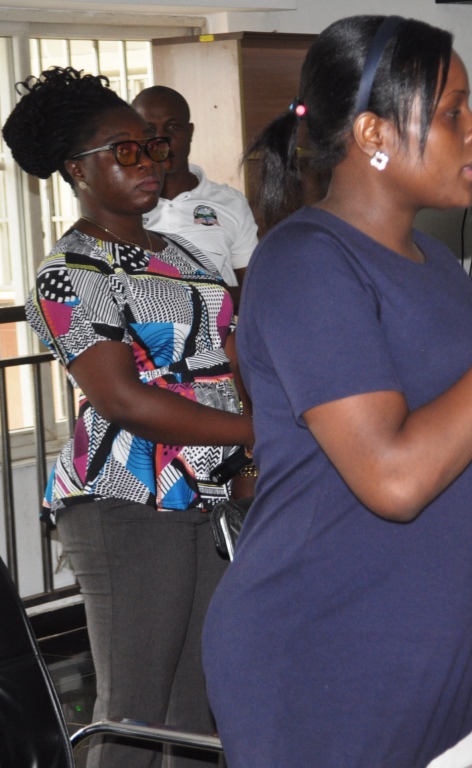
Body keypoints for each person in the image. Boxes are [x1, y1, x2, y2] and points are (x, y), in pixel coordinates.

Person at [201, 16, 472, 768]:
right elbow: (395, 480)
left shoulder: (433, 262)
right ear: (372, 132)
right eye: (451, 111)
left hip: (440, 670)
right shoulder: (305, 265)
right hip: (323, 661)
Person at [1, 67, 254, 767]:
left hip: (203, 493)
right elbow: (123, 400)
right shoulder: (71, 272)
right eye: (127, 150)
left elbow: (232, 362)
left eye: (153, 146)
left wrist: (249, 455)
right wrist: (255, 435)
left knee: (196, 711)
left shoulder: (185, 255)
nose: (151, 162)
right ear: (76, 170)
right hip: (126, 499)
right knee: (134, 715)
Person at [132, 85, 259, 305]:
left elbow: (254, 294)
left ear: (190, 132)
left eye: (172, 126)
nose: (162, 139)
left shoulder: (231, 202)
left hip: (222, 337)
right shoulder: (124, 208)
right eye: (150, 131)